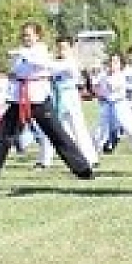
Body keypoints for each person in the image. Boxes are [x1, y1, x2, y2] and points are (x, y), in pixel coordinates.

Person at [0, 23, 94, 182]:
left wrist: (21, 55)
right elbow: (16, 72)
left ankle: (83, 170)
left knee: (58, 135)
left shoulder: (41, 51)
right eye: (24, 35)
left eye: (29, 35)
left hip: (39, 100)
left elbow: (39, 63)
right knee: (1, 134)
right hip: (19, 101)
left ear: (37, 36)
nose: (26, 38)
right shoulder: (20, 54)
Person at [42, 37, 101, 170]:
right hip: (56, 96)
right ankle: (45, 160)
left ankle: (91, 158)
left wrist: (45, 61)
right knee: (51, 128)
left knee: (78, 128)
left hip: (70, 96)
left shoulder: (71, 62)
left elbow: (56, 68)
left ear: (70, 48)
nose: (61, 50)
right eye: (59, 47)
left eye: (64, 47)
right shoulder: (54, 62)